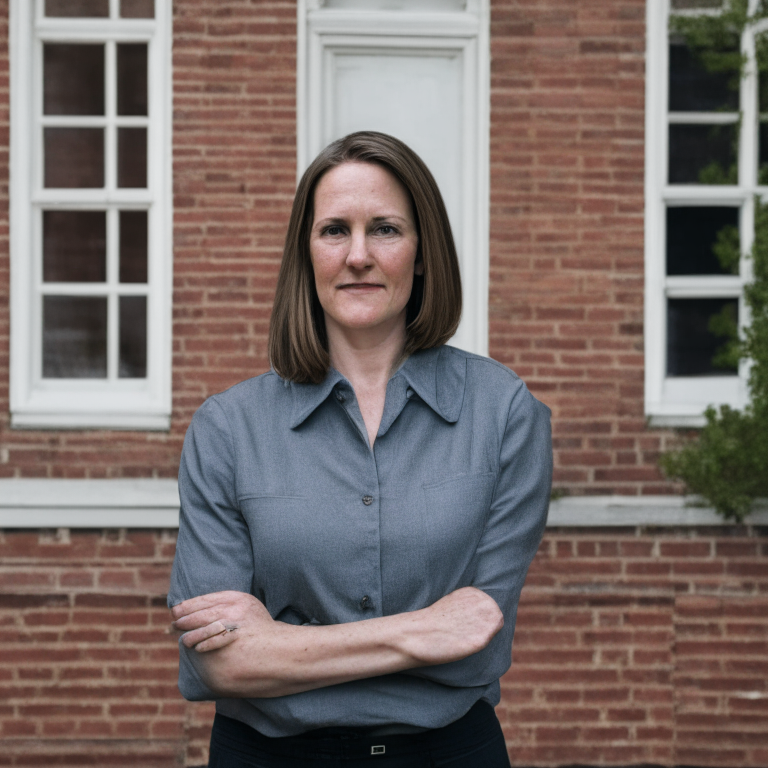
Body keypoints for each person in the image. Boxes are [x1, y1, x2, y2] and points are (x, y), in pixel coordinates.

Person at [168, 131, 552, 767]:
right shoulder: (227, 429)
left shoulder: (504, 412)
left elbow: (478, 641)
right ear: (306, 253)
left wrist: (281, 644)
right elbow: (220, 663)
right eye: (334, 231)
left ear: (422, 252)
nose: (359, 256)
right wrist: (421, 631)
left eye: (386, 229)